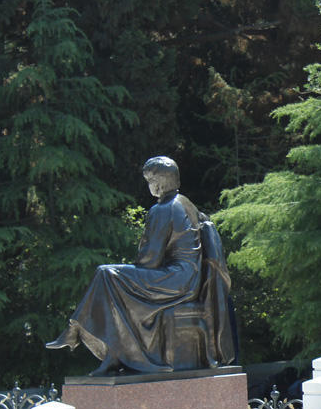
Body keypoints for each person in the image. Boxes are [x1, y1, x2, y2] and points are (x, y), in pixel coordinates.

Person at [46, 156, 236, 375]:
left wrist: (135, 265)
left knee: (107, 274)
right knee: (112, 279)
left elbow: (150, 259)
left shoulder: (163, 208)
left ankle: (85, 335)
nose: (149, 186)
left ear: (160, 182)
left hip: (175, 279)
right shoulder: (185, 203)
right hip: (188, 280)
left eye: (150, 180)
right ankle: (108, 351)